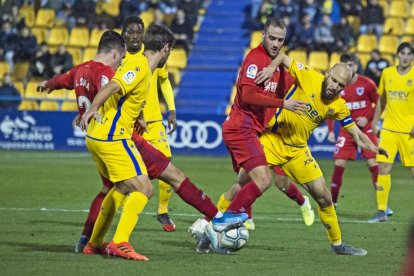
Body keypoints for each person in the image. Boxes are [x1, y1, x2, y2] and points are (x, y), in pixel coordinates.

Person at [78, 23, 246, 261]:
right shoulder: (140, 66)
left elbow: (122, 93)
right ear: (166, 48)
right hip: (113, 136)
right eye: (171, 51)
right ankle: (119, 242)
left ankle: (94, 244)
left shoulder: (139, 65)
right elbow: (114, 86)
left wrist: (138, 117)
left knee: (163, 174)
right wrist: (91, 108)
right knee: (143, 188)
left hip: (117, 134)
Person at [203, 54, 388, 255]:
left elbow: (356, 134)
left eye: (341, 85)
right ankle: (207, 229)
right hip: (271, 141)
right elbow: (282, 57)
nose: (335, 87)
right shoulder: (309, 76)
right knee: (240, 185)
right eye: (334, 80)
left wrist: (375, 148)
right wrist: (271, 67)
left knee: (323, 196)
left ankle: (337, 244)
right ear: (327, 74)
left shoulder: (338, 106)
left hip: (298, 151)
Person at [188, 17, 311, 252]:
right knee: (264, 180)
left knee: (241, 183)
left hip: (250, 130)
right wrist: (283, 104)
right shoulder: (255, 60)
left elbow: (304, 79)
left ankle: (205, 231)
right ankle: (219, 225)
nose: (275, 43)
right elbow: (248, 96)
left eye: (280, 40)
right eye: (272, 38)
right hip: (241, 128)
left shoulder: (280, 69)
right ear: (263, 35)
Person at [121, 16, 178, 232]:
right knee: (132, 174)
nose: (135, 36)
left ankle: (162, 211)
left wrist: (171, 110)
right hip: (132, 125)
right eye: (131, 32)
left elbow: (164, 81)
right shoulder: (122, 59)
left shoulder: (152, 55)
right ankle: (126, 212)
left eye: (139, 32)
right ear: (124, 34)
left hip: (154, 123)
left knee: (167, 166)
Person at [326, 52, 388, 211]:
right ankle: (333, 202)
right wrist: (331, 130)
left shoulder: (367, 84)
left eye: (351, 65)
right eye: (345, 66)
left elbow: (380, 104)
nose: (349, 69)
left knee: (373, 163)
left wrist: (368, 118)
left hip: (366, 129)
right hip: (347, 129)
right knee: (339, 163)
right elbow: (330, 108)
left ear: (357, 65)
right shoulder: (337, 85)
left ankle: (383, 206)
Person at [369, 42, 414, 223]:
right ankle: (381, 211)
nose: (405, 56)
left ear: (412, 57)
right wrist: (375, 121)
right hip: (388, 128)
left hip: (409, 131)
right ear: (397, 55)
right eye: (402, 53)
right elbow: (382, 98)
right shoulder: (387, 73)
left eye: (409, 54)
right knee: (383, 167)